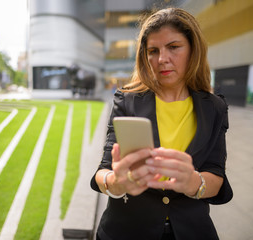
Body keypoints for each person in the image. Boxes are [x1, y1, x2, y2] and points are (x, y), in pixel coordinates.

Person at [90, 8, 233, 240]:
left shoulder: (215, 107)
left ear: (193, 49)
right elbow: (102, 171)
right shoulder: (126, 101)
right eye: (153, 51)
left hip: (190, 231)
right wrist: (116, 183)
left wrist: (193, 182)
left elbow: (216, 176)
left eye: (174, 47)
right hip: (126, 230)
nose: (162, 59)